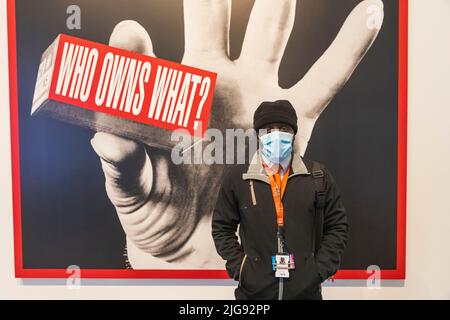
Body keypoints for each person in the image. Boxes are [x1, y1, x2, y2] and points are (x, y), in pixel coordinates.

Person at [212, 100, 349, 300]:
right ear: (258, 134)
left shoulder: (318, 176)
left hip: (305, 294)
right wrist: (242, 269)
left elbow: (337, 226)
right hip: (253, 296)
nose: (276, 135)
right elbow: (221, 228)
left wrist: (318, 271)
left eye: (283, 128)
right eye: (269, 129)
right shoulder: (238, 178)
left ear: (293, 133)